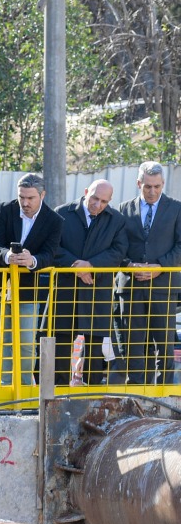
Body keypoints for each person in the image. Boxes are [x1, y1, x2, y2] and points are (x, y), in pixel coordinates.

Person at [0, 173, 61, 386]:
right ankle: (5, 388)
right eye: (21, 197)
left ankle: (24, 389)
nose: (25, 202)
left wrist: (31, 260)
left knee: (25, 341)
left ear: (42, 195)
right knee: (1, 339)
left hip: (28, 288)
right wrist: (8, 256)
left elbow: (50, 254)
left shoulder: (54, 220)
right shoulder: (6, 209)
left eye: (30, 198)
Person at [51, 179, 127, 386]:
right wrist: (77, 267)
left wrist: (91, 265)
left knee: (94, 346)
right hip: (65, 289)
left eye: (104, 201)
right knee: (61, 342)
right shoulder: (62, 213)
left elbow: (118, 252)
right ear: (86, 192)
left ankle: (92, 392)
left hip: (97, 288)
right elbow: (52, 247)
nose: (98, 205)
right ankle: (58, 391)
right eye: (94, 198)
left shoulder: (116, 219)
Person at [116, 162, 181, 384]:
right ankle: (136, 394)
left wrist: (160, 267)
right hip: (131, 286)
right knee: (132, 343)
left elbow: (180, 245)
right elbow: (117, 246)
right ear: (138, 183)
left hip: (163, 286)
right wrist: (129, 266)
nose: (152, 191)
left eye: (157, 186)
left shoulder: (176, 208)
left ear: (163, 184)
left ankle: (164, 395)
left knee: (163, 344)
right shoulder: (124, 209)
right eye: (147, 187)